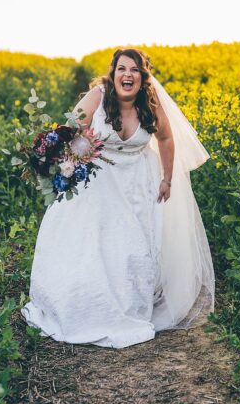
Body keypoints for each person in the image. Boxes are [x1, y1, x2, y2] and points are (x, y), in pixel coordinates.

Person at [20, 47, 215, 349]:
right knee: (93, 244)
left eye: (135, 70)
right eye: (122, 69)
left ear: (142, 77)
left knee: (132, 246)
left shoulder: (150, 104)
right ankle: (86, 300)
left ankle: (128, 303)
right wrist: (64, 161)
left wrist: (167, 178)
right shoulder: (97, 97)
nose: (128, 75)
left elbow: (165, 138)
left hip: (138, 183)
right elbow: (70, 132)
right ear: (112, 73)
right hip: (98, 180)